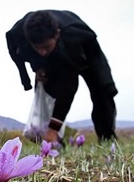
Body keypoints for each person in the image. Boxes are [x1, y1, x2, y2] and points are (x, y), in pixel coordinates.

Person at [6, 9, 118, 143]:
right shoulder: (17, 34)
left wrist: (53, 129)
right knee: (48, 89)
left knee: (103, 92)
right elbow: (16, 54)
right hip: (55, 54)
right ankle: (54, 142)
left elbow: (68, 87)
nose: (42, 52)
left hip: (87, 55)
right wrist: (35, 68)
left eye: (46, 46)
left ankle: (107, 138)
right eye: (37, 48)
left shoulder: (73, 34)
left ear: (57, 34)